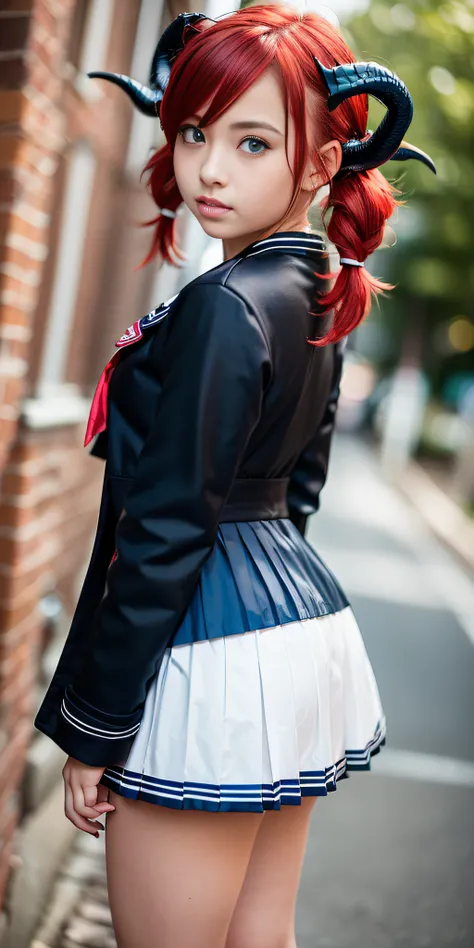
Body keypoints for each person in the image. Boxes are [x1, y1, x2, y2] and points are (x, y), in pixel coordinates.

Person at [34, 6, 435, 946]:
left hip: (209, 645)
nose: (210, 168)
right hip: (294, 632)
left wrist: (94, 729)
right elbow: (301, 491)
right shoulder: (318, 284)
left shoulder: (225, 304)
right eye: (193, 131)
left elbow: (167, 528)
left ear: (321, 163)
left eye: (253, 141)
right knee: (260, 933)